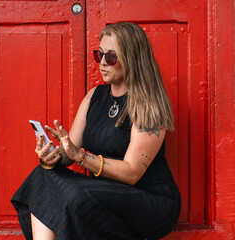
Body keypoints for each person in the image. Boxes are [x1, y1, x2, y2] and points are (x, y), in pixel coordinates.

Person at [11, 22, 181, 240]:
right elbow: (68, 152)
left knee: (74, 197)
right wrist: (51, 156)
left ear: (132, 59)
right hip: (104, 191)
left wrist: (81, 156)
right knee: (43, 175)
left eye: (111, 57)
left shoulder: (148, 105)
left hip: (149, 201)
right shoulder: (95, 96)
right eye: (98, 55)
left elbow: (131, 173)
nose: (102, 63)